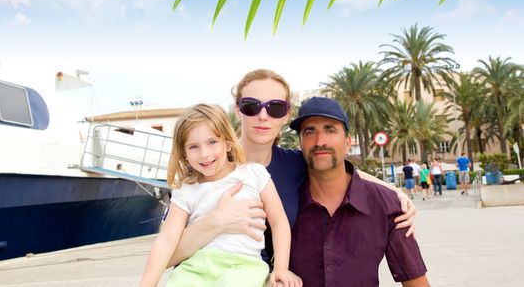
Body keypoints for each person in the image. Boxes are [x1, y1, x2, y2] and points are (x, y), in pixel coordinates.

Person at [166, 69, 416, 270]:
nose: (263, 116)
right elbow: (167, 257)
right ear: (237, 110)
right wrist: (215, 222)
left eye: (275, 108)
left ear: (285, 116)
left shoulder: (294, 164)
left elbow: (347, 172)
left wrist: (396, 193)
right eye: (252, 106)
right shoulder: (206, 166)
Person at [140, 104, 301, 287]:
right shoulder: (186, 189)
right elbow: (167, 239)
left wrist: (280, 268)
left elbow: (279, 222)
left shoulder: (254, 174)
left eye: (212, 142)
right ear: (184, 154)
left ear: (227, 143)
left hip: (242, 266)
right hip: (195, 267)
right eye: (193, 147)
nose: (204, 154)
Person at [288, 97, 429, 286]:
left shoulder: (387, 205)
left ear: (347, 143)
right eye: (309, 132)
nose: (320, 141)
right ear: (300, 143)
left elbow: (416, 282)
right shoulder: (282, 199)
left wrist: (396, 193)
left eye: (330, 130)